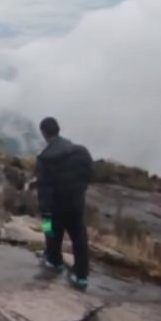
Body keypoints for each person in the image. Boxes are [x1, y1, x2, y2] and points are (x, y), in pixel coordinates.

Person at [35, 117, 94, 290]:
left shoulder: (44, 158)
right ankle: (81, 276)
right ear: (58, 129)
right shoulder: (81, 152)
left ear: (44, 133)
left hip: (53, 206)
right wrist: (78, 192)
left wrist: (44, 210)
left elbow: (43, 188)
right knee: (79, 239)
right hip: (76, 205)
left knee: (49, 229)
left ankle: (54, 260)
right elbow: (89, 175)